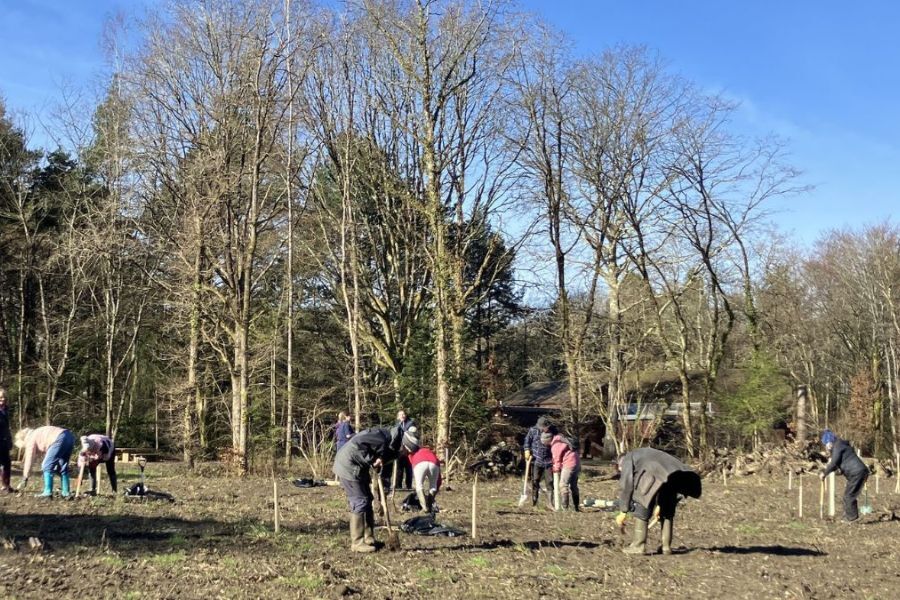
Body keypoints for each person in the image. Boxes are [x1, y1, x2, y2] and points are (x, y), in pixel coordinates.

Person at [333, 425, 410, 553]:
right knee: (359, 501)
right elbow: (358, 442)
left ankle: (368, 538)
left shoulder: (392, 448)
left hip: (359, 467)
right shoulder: (382, 437)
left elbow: (383, 470)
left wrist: (380, 462)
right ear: (403, 444)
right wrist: (373, 459)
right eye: (407, 451)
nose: (406, 454)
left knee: (368, 499)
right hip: (348, 465)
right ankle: (357, 543)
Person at [615, 447, 702, 555]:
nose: (620, 471)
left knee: (642, 507)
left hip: (654, 474)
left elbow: (626, 485)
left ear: (620, 463)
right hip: (674, 475)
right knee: (667, 513)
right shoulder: (646, 453)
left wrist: (623, 510)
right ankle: (666, 547)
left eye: (620, 469)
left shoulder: (628, 458)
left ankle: (638, 546)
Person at [819, 429, 869, 522]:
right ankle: (849, 516)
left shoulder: (838, 446)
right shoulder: (840, 446)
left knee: (849, 495)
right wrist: (829, 470)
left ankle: (852, 518)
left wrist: (825, 473)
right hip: (857, 472)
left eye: (826, 444)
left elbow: (834, 463)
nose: (826, 447)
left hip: (857, 472)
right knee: (849, 495)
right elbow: (839, 464)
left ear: (829, 442)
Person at [15, 425, 77, 498]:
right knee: (62, 466)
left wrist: (25, 476)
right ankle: (66, 492)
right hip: (69, 436)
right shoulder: (38, 432)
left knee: (46, 465)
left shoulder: (30, 439)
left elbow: (29, 458)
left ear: (23, 440)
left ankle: (47, 492)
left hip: (59, 438)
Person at [522, 416, 556, 508]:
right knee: (535, 481)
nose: (544, 429)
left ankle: (550, 503)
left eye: (545, 427)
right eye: (542, 427)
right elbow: (527, 441)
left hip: (549, 460)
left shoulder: (553, 431)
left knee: (550, 482)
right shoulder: (533, 430)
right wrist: (526, 450)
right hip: (536, 459)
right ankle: (535, 503)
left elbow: (558, 442)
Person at [406, 431, 442, 513]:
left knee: (419, 485)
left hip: (419, 462)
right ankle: (429, 505)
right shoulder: (432, 453)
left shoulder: (414, 452)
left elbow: (411, 459)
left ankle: (424, 507)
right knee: (433, 486)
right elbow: (439, 480)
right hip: (434, 463)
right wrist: (437, 487)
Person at [550, 432, 581, 511]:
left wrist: (556, 469)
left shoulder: (555, 445)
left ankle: (565, 508)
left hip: (569, 463)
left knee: (563, 485)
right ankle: (576, 507)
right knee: (574, 485)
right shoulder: (564, 440)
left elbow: (557, 459)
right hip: (577, 462)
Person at [393, 410, 416, 490]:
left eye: (403, 414)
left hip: (408, 449)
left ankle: (408, 485)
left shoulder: (410, 424)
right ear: (398, 417)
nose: (402, 416)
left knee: (408, 467)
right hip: (399, 449)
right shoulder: (396, 425)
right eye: (400, 414)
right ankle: (398, 485)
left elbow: (411, 435)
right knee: (399, 468)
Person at [0, 388, 13, 493]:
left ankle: (6, 485)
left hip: (4, 440)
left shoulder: (5, 410)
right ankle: (4, 485)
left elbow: (7, 427)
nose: (3, 399)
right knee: (3, 463)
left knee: (7, 463)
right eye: (0, 398)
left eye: (4, 397)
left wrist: (9, 440)